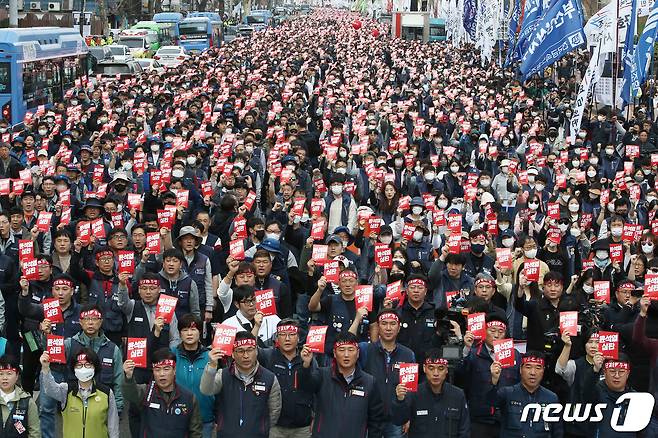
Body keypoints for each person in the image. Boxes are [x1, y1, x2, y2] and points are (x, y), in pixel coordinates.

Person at [298, 332, 386, 438]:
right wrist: (306, 365)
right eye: (341, 350)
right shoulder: (322, 375)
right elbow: (304, 387)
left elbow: (376, 421)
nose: (346, 354)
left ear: (358, 353)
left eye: (350, 349)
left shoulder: (369, 382)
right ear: (334, 353)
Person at [200, 331, 282, 438]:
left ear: (256, 351)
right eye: (240, 351)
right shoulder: (223, 375)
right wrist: (212, 366)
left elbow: (274, 411)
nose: (246, 356)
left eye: (250, 350)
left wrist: (261, 428)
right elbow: (206, 390)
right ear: (233, 354)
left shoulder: (269, 378)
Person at [352, 309, 415, 438]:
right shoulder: (365, 350)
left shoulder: (408, 354)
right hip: (368, 416)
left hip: (395, 418)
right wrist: (357, 319)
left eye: (392, 324)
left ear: (398, 328)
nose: (388, 328)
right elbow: (346, 343)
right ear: (378, 327)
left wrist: (408, 416)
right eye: (384, 323)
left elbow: (410, 390)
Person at [40, 348, 120, 438]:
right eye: (79, 365)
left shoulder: (106, 393)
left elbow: (113, 427)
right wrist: (45, 368)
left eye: (88, 365)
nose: (83, 368)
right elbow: (50, 389)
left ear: (95, 367)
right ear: (74, 368)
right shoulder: (66, 390)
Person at [123, 348, 203, 438]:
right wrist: (129, 377)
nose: (162, 374)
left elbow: (195, 432)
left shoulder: (189, 397)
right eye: (157, 370)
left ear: (174, 370)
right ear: (153, 372)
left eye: (166, 369)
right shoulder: (145, 392)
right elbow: (130, 393)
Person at [392, 348, 470, 438]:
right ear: (425, 369)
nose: (436, 373)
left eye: (440, 368)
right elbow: (398, 420)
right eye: (431, 368)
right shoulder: (414, 394)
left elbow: (464, 431)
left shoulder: (458, 395)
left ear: (446, 370)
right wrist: (400, 400)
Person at [258, 319, 314, 438]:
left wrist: (306, 365)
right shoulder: (268, 356)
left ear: (299, 338)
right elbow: (250, 351)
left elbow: (315, 388)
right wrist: (257, 325)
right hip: (275, 427)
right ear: (277, 338)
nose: (287, 338)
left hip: (302, 426)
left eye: (292, 334)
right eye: (282, 335)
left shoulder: (308, 357)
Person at [488, 351, 563, 437]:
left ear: (543, 371)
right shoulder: (507, 393)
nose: (533, 372)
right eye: (528, 367)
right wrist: (493, 381)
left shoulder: (552, 398)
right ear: (520, 369)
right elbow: (489, 404)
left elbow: (558, 432)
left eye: (538, 368)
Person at [174, 313, 216, 438]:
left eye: (193, 329)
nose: (189, 333)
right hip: (177, 417)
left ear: (200, 332)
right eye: (185, 330)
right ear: (180, 333)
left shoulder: (211, 356)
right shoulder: (172, 354)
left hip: (205, 418)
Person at [0, 354, 40, 438]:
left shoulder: (27, 401)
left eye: (9, 373)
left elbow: (35, 433)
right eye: (1, 374)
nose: (4, 377)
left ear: (17, 375)